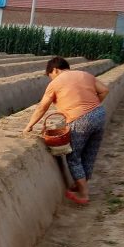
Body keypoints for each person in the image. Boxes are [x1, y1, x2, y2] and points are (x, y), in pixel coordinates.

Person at [23, 56, 109, 206]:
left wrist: (29, 125)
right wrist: (92, 106)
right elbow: (104, 90)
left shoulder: (56, 83)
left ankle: (83, 194)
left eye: (50, 75)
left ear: (55, 70)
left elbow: (42, 107)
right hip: (99, 115)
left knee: (73, 156)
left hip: (80, 120)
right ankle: (81, 183)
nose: (51, 79)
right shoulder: (85, 75)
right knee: (89, 153)